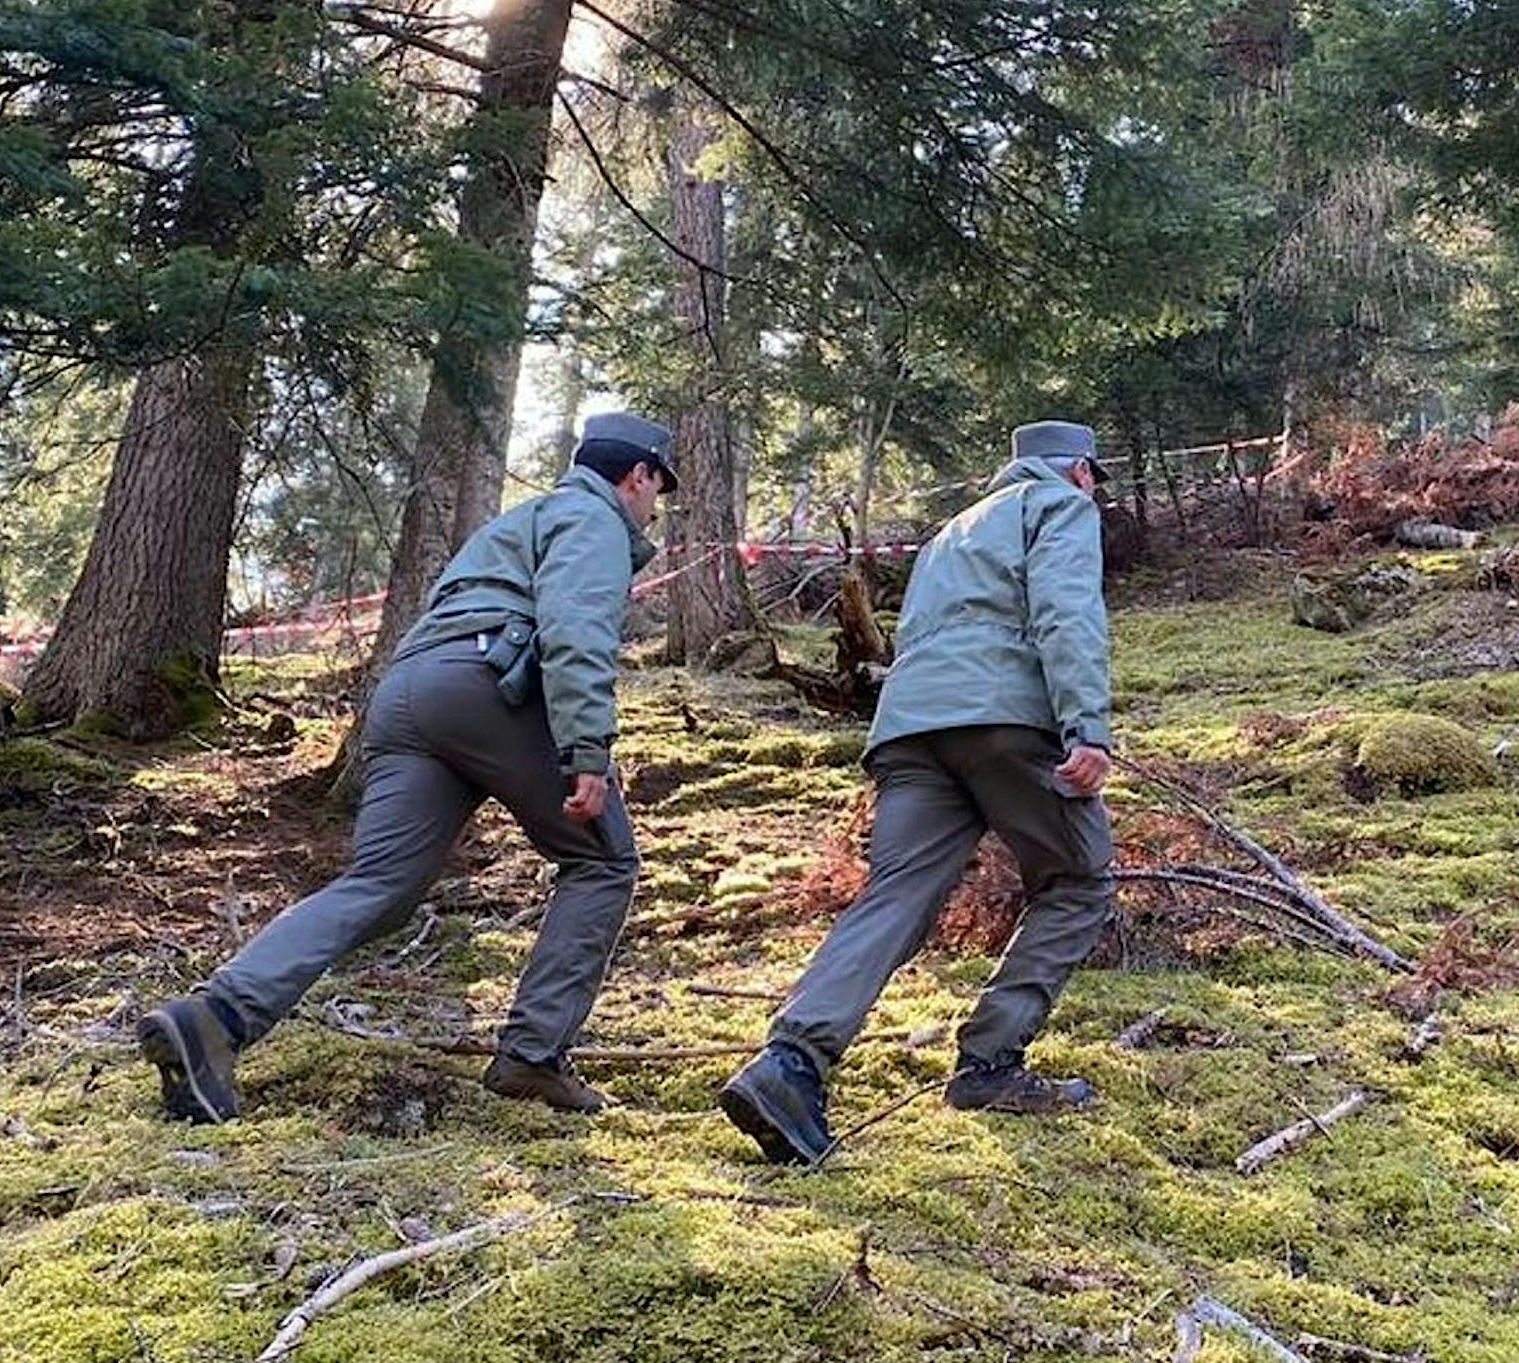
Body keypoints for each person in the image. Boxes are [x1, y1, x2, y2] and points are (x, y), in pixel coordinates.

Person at [138, 411, 676, 1122]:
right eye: (657, 492)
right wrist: (587, 750)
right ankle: (532, 1055)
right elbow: (576, 628)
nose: (653, 508)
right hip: (489, 688)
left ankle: (215, 1019)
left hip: (407, 695)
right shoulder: (594, 519)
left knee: (380, 887)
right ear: (636, 475)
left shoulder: (520, 521)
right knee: (604, 860)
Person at [720, 419, 1115, 1165]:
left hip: (911, 729)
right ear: (1080, 472)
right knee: (1080, 879)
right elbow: (1068, 614)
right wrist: (1086, 727)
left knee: (895, 897)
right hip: (1005, 721)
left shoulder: (950, 533)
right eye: (1093, 478)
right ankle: (990, 1064)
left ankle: (791, 1065)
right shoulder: (1059, 507)